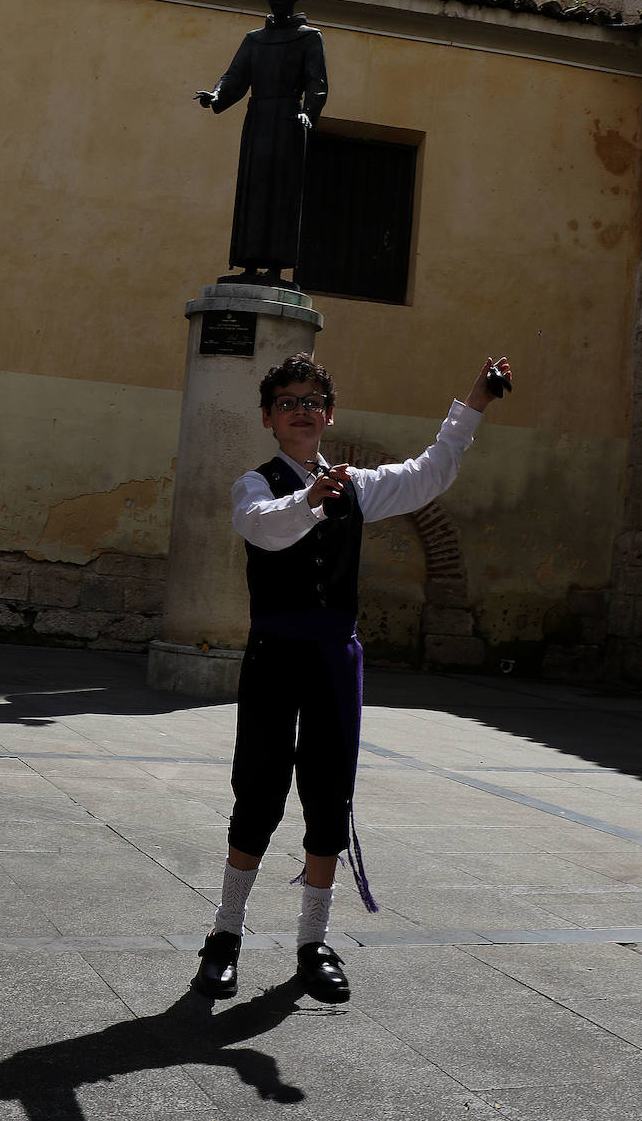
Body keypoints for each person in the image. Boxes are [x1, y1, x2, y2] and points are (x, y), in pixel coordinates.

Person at [193, 350, 512, 1004]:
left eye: (312, 401)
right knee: (258, 792)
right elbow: (263, 530)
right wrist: (310, 500)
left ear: (330, 414)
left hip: (335, 660)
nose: (302, 410)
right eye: (288, 402)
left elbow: (429, 475)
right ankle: (225, 936)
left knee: (329, 795)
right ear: (268, 418)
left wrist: (473, 404)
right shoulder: (254, 487)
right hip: (274, 656)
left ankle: (314, 942)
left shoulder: (357, 485)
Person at [194, 0, 327, 281]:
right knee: (253, 189)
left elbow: (316, 82)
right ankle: (249, 263)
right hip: (258, 120)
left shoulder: (309, 37)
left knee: (282, 191)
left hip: (289, 120)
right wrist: (216, 95)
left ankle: (276, 267)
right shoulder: (254, 39)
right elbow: (234, 76)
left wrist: (309, 111)